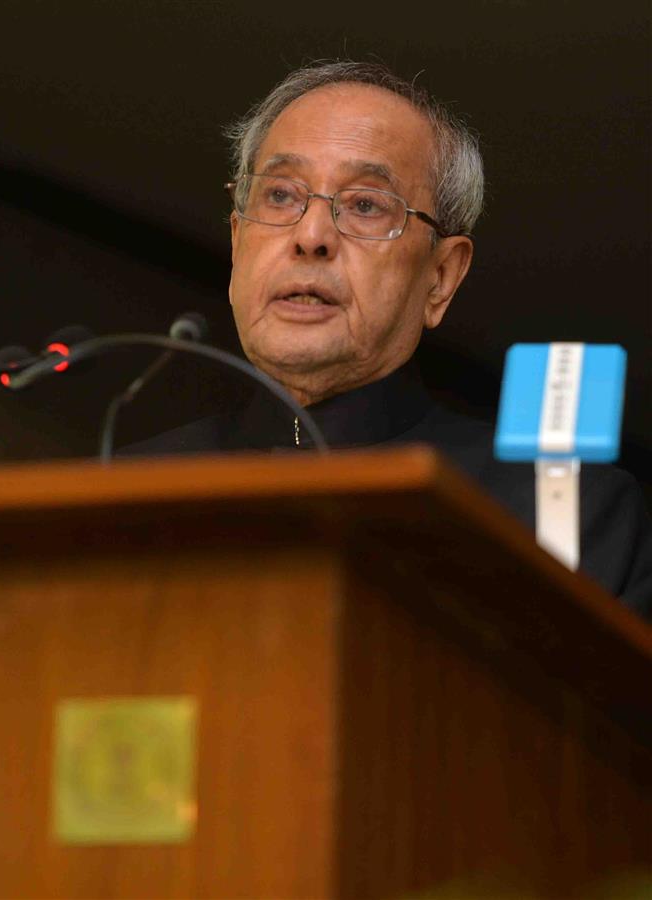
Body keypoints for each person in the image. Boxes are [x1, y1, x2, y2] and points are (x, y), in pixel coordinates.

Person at [126, 61, 652, 617]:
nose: (311, 236)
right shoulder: (123, 487)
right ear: (237, 244)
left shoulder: (556, 514)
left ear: (441, 279)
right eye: (280, 195)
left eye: (366, 205)